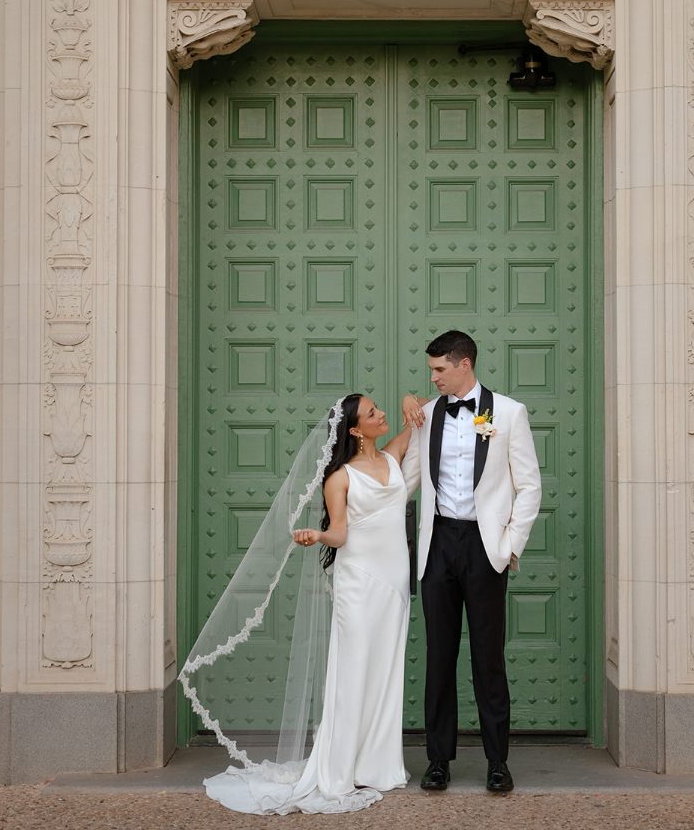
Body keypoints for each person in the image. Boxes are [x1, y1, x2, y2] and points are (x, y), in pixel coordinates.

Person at [203, 394, 414, 816]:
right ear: (355, 430)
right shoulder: (339, 477)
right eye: (373, 413)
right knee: (353, 669)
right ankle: (338, 769)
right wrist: (316, 537)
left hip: (394, 581)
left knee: (386, 669)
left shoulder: (393, 456)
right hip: (359, 581)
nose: (382, 414)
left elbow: (424, 417)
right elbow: (339, 534)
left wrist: (414, 399)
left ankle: (376, 764)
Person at [400, 330, 542, 794]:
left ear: (464, 365)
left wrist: (507, 546)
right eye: (431, 371)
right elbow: (407, 482)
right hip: (438, 544)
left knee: (488, 659)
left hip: (485, 548)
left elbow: (529, 486)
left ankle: (497, 761)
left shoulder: (507, 412)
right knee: (439, 658)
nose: (433, 377)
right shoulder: (426, 414)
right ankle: (437, 760)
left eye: (440, 369)